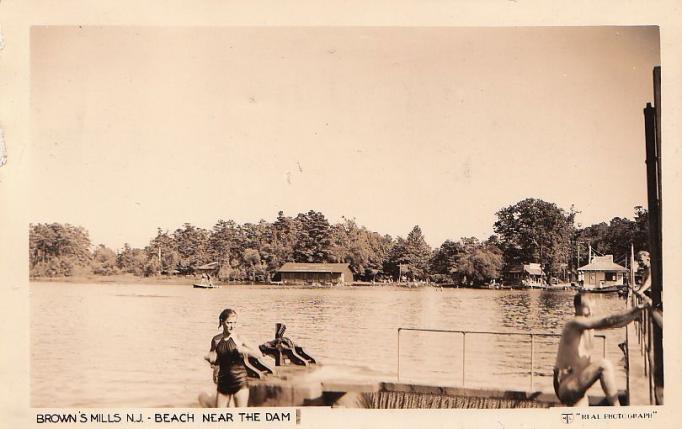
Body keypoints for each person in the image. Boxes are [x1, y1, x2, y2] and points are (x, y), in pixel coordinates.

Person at [553, 293, 649, 406]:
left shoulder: (588, 327)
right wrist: (638, 308)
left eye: (592, 308)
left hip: (579, 388)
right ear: (577, 307)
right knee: (604, 365)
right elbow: (607, 321)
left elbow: (616, 324)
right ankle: (617, 411)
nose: (590, 312)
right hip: (568, 387)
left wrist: (634, 316)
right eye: (587, 308)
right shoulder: (573, 324)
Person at [204, 308, 264, 407]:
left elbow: (259, 354)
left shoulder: (239, 338)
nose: (232, 326)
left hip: (239, 381)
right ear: (222, 322)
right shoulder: (216, 340)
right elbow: (214, 360)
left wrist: (245, 351)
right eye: (229, 323)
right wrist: (213, 366)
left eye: (234, 323)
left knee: (240, 416)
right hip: (223, 382)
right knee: (219, 417)